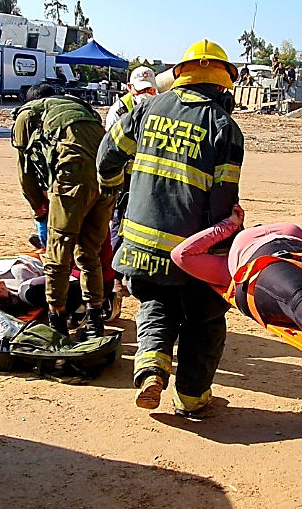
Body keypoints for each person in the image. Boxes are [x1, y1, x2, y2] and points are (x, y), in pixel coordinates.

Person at [97, 39, 245, 418]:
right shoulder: (225, 127)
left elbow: (107, 157)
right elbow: (222, 200)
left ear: (180, 76)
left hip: (140, 245)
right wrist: (221, 246)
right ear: (223, 86)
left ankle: (151, 369)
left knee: (155, 304)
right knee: (205, 317)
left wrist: (113, 188)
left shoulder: (146, 109)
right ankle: (192, 397)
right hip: (192, 251)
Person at [169, 204, 302, 361]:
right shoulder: (225, 263)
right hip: (259, 269)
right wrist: (227, 226)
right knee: (299, 292)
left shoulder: (269, 235)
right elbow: (182, 254)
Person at [12, 82, 113, 338]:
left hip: (72, 181)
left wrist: (38, 208)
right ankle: (95, 322)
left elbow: (25, 172)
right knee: (90, 254)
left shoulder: (28, 114)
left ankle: (56, 322)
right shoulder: (82, 108)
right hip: (109, 180)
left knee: (59, 255)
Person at [103, 65, 160, 315]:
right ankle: (116, 279)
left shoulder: (159, 107)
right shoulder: (119, 111)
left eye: (150, 89)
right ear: (129, 88)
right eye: (142, 89)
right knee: (118, 226)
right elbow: (113, 151)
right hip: (124, 181)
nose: (147, 93)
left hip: (148, 180)